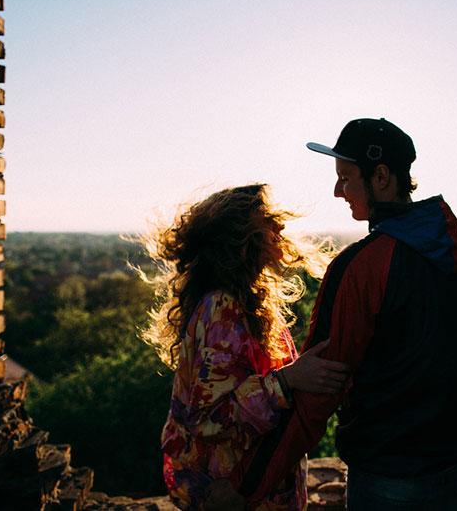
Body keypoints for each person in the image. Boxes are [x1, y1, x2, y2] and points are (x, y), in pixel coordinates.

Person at [231, 118, 457, 510]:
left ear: (380, 177)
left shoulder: (361, 267)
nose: (338, 190)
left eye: (345, 177)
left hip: (387, 481)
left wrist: (245, 490)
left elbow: (317, 392)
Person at [141, 184, 349, 510]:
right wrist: (287, 380)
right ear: (242, 240)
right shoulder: (222, 309)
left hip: (252, 489)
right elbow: (207, 418)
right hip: (229, 492)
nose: (280, 226)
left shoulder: (248, 302)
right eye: (269, 219)